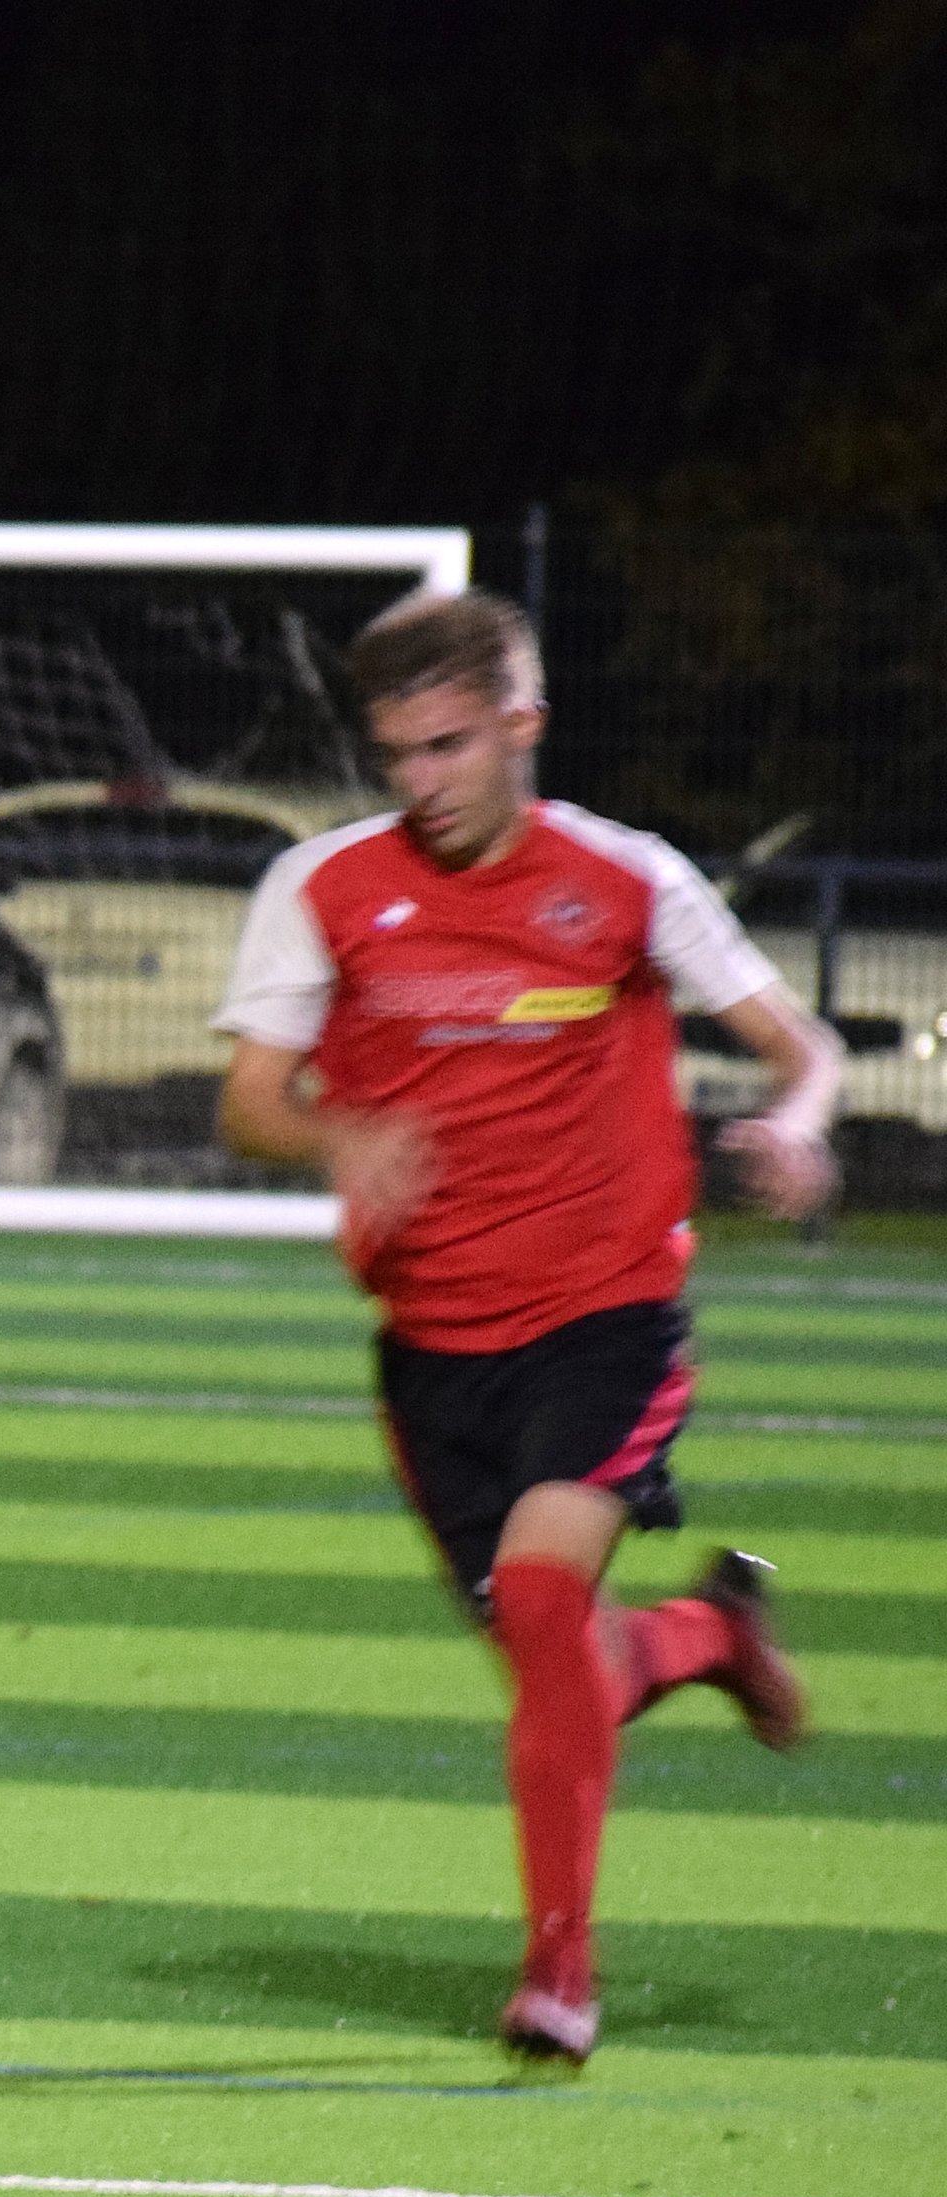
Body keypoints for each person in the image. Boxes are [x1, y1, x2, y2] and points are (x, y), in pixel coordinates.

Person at [213, 587, 834, 2066]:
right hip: (431, 1346)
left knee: (547, 1608)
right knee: (568, 1666)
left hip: (605, 1316)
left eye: (445, 746)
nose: (418, 781)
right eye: (395, 753)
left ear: (520, 725)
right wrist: (336, 1135)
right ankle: (708, 1631)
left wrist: (801, 1127)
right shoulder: (325, 886)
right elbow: (248, 1099)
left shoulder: (625, 880)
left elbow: (800, 1048)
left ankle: (559, 1973)